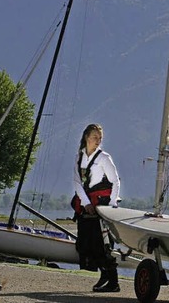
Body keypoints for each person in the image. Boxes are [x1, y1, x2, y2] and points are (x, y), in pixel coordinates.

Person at [73, 123, 121, 293]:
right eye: (95, 137)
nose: (98, 141)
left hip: (102, 206)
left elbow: (115, 181)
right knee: (87, 243)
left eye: (100, 138)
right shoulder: (80, 157)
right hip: (86, 206)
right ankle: (103, 276)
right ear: (87, 137)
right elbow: (77, 183)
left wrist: (111, 205)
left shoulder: (104, 158)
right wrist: (86, 203)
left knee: (103, 244)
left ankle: (113, 281)